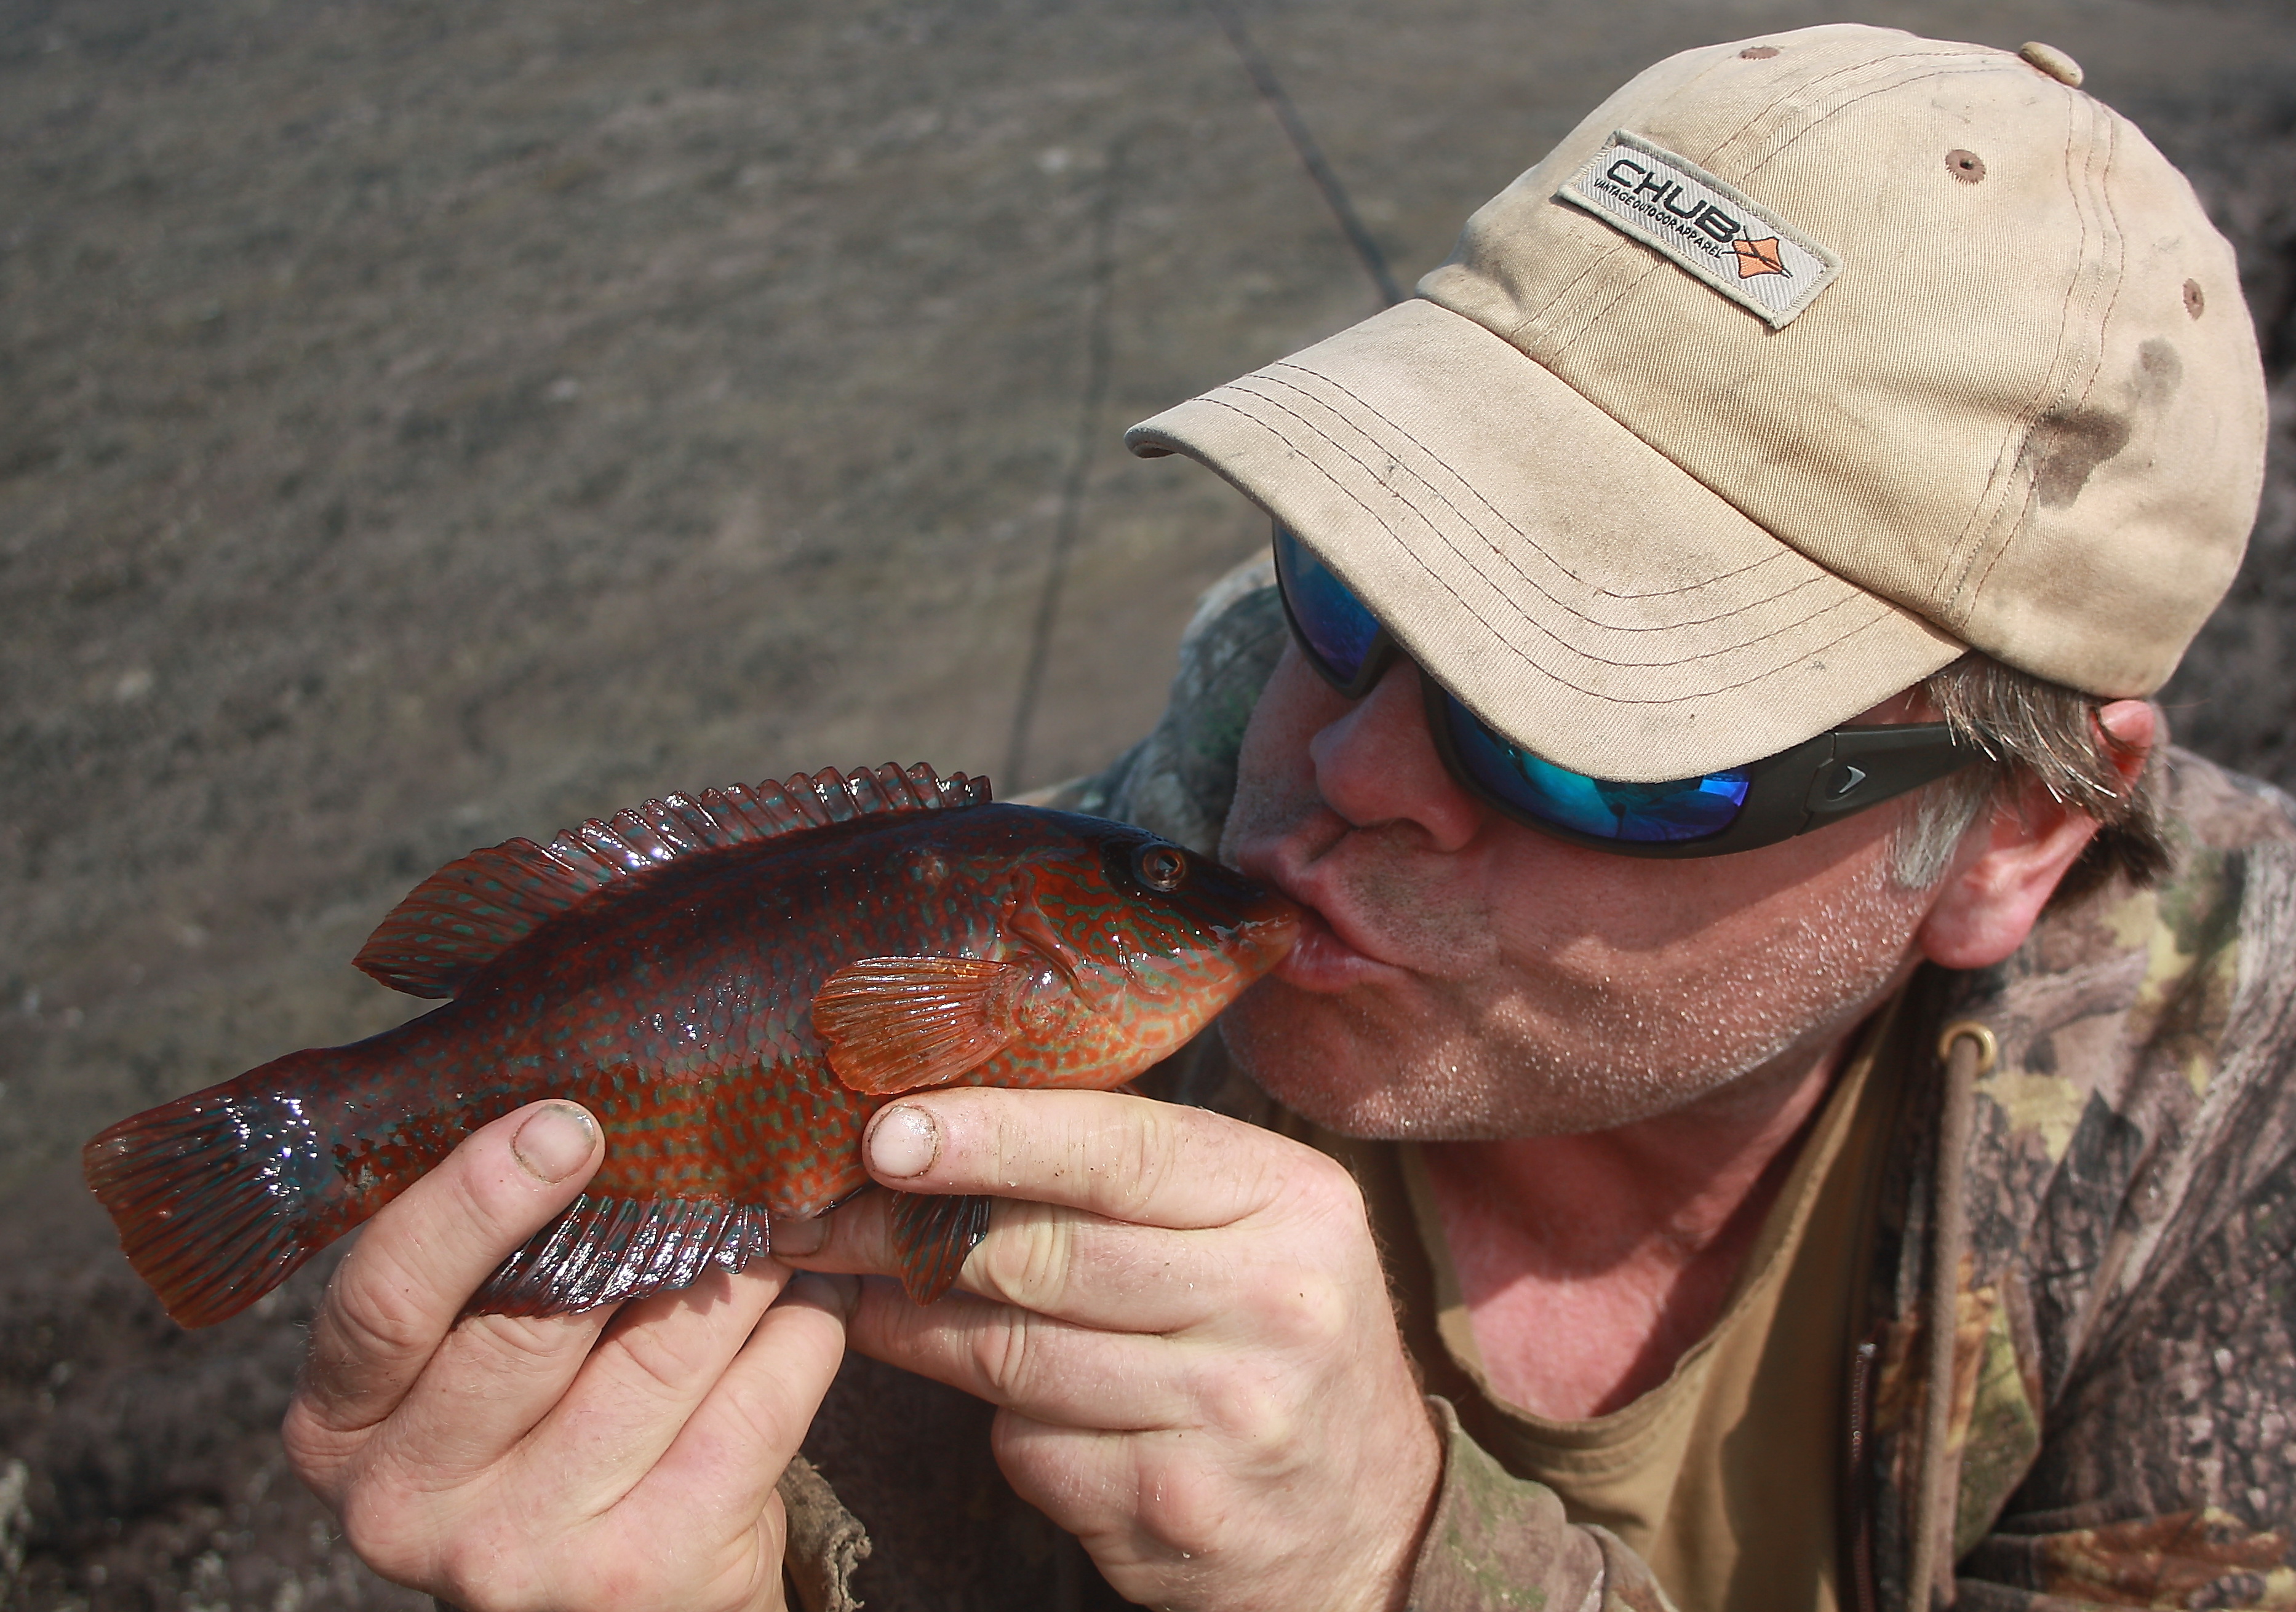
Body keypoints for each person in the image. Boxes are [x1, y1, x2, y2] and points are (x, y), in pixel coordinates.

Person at [280, 25, 2296, 1612]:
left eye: (1601, 734)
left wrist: (1389, 1562)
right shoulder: (962, 1055)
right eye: (1350, 592)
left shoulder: (2238, 1122)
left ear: (2026, 833)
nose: (1349, 771)